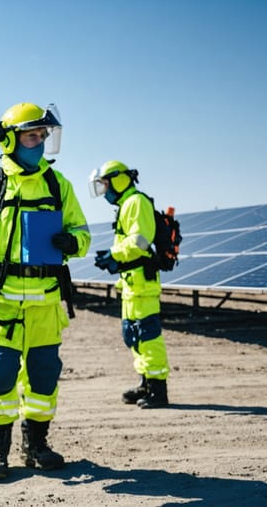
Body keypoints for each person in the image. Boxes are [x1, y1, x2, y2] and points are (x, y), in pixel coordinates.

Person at [0, 102, 90, 480]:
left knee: (44, 378)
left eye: (43, 135)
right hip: (3, 303)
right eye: (33, 135)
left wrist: (72, 242)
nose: (40, 142)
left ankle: (36, 444)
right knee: (0, 377)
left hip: (46, 303)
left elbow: (83, 234)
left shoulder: (58, 184)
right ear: (10, 139)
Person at [88, 160, 170, 408]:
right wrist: (114, 258)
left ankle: (158, 390)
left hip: (142, 283)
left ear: (118, 179)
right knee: (134, 335)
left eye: (105, 184)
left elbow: (140, 242)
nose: (105, 191)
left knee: (147, 335)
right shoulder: (126, 205)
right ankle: (145, 382)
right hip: (132, 283)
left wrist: (115, 255)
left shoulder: (136, 202)